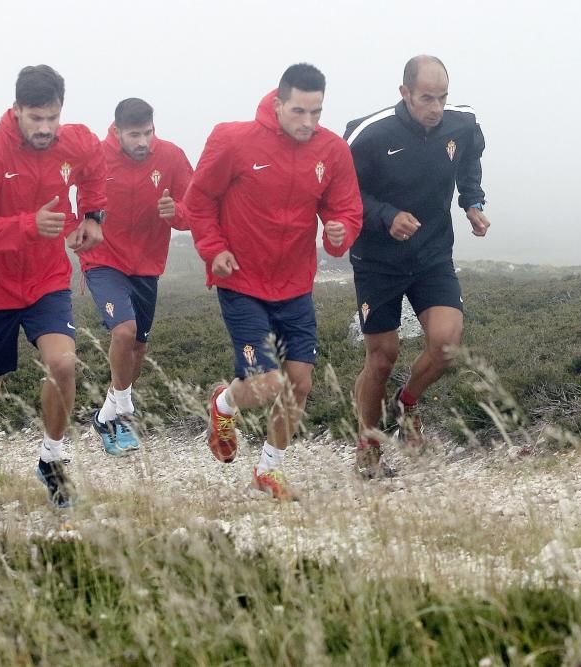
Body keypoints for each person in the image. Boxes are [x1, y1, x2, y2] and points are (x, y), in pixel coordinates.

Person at [186, 63, 363, 500]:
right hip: (241, 281)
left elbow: (345, 209)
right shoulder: (233, 139)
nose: (308, 123)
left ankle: (269, 470)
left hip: (295, 284)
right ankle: (223, 403)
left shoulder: (333, 151)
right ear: (279, 103)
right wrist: (214, 249)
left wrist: (339, 232)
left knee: (300, 382)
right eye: (299, 111)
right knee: (267, 385)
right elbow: (198, 200)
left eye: (316, 113)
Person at [0, 65, 107, 520]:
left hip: (45, 280)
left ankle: (51, 459)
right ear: (16, 110)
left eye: (51, 118)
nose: (44, 128)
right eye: (35, 118)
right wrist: (27, 226)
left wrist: (93, 215)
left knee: (63, 362)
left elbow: (94, 164)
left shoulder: (74, 141)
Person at [344, 55, 491, 478]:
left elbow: (468, 162)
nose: (436, 108)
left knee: (447, 343)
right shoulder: (367, 134)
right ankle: (368, 447)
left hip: (431, 255)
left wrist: (472, 202)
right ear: (404, 93)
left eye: (442, 97)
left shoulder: (463, 123)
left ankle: (406, 403)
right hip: (377, 260)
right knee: (382, 358)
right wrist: (387, 216)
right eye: (427, 98)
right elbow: (345, 194)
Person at [80, 98, 193, 455]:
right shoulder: (96, 158)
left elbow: (193, 212)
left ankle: (105, 417)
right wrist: (81, 232)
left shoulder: (172, 157)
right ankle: (125, 414)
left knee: (138, 346)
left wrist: (177, 212)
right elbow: (79, 209)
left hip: (147, 264)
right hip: (103, 260)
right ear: (117, 132)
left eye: (148, 133)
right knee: (124, 331)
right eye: (134, 135)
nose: (143, 142)